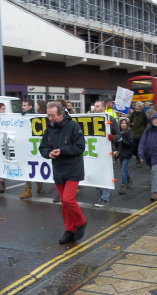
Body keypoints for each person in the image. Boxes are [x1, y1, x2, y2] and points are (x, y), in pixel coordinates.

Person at [39, 102, 87, 243]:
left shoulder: (73, 126)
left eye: (53, 115)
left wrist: (62, 151)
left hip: (73, 168)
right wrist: (48, 153)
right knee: (63, 202)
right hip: (58, 169)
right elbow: (42, 147)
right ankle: (69, 230)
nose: (50, 118)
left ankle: (81, 222)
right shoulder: (49, 129)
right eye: (48, 115)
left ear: (61, 114)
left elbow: (80, 146)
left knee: (68, 199)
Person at [93, 101, 121, 206]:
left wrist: (112, 137)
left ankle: (105, 198)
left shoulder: (111, 120)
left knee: (105, 174)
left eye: (97, 106)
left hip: (106, 152)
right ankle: (102, 190)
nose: (95, 108)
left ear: (103, 108)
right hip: (95, 151)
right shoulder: (91, 119)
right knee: (95, 174)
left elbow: (118, 135)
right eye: (94, 106)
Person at [138, 113, 157, 201]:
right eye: (153, 120)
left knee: (154, 173)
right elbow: (142, 142)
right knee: (156, 172)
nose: (155, 121)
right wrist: (141, 154)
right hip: (149, 155)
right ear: (151, 121)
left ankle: (154, 193)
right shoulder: (148, 130)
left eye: (156, 119)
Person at [20, 99, 43, 199]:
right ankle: (28, 189)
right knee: (28, 167)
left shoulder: (35, 117)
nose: (23, 107)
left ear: (30, 106)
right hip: (25, 146)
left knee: (35, 166)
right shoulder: (20, 116)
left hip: (34, 146)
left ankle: (37, 181)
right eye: (22, 105)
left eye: (25, 105)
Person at [116, 117, 134, 194]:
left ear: (127, 124)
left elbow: (130, 143)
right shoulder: (119, 132)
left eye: (124, 123)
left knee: (123, 170)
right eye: (122, 123)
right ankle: (129, 180)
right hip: (120, 153)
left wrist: (122, 140)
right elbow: (116, 144)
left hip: (127, 153)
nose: (123, 124)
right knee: (124, 169)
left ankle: (123, 185)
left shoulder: (129, 132)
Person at [128, 101, 148, 168]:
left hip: (141, 134)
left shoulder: (144, 114)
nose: (136, 107)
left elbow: (146, 123)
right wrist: (129, 123)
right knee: (134, 148)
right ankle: (138, 156)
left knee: (140, 148)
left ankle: (138, 160)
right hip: (134, 133)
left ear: (141, 107)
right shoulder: (133, 114)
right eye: (136, 106)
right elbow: (128, 120)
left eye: (137, 106)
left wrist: (145, 131)